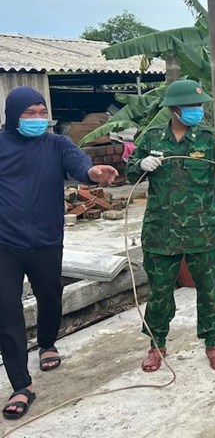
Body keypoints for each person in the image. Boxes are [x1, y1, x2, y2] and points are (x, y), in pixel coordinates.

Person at [126, 79, 215, 373]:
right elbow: (129, 170)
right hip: (160, 231)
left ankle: (213, 342)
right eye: (193, 106)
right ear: (175, 109)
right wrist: (141, 165)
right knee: (159, 293)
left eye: (200, 105)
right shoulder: (152, 136)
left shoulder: (208, 136)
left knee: (208, 291)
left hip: (200, 230)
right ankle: (157, 345)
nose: (198, 111)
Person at [0, 86, 118, 420]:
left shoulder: (57, 144)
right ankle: (22, 385)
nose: (38, 120)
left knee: (50, 296)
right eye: (29, 114)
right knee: (6, 312)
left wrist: (93, 172)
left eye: (41, 113)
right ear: (13, 116)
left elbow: (80, 164)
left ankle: (48, 342)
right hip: (5, 245)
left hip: (47, 240)